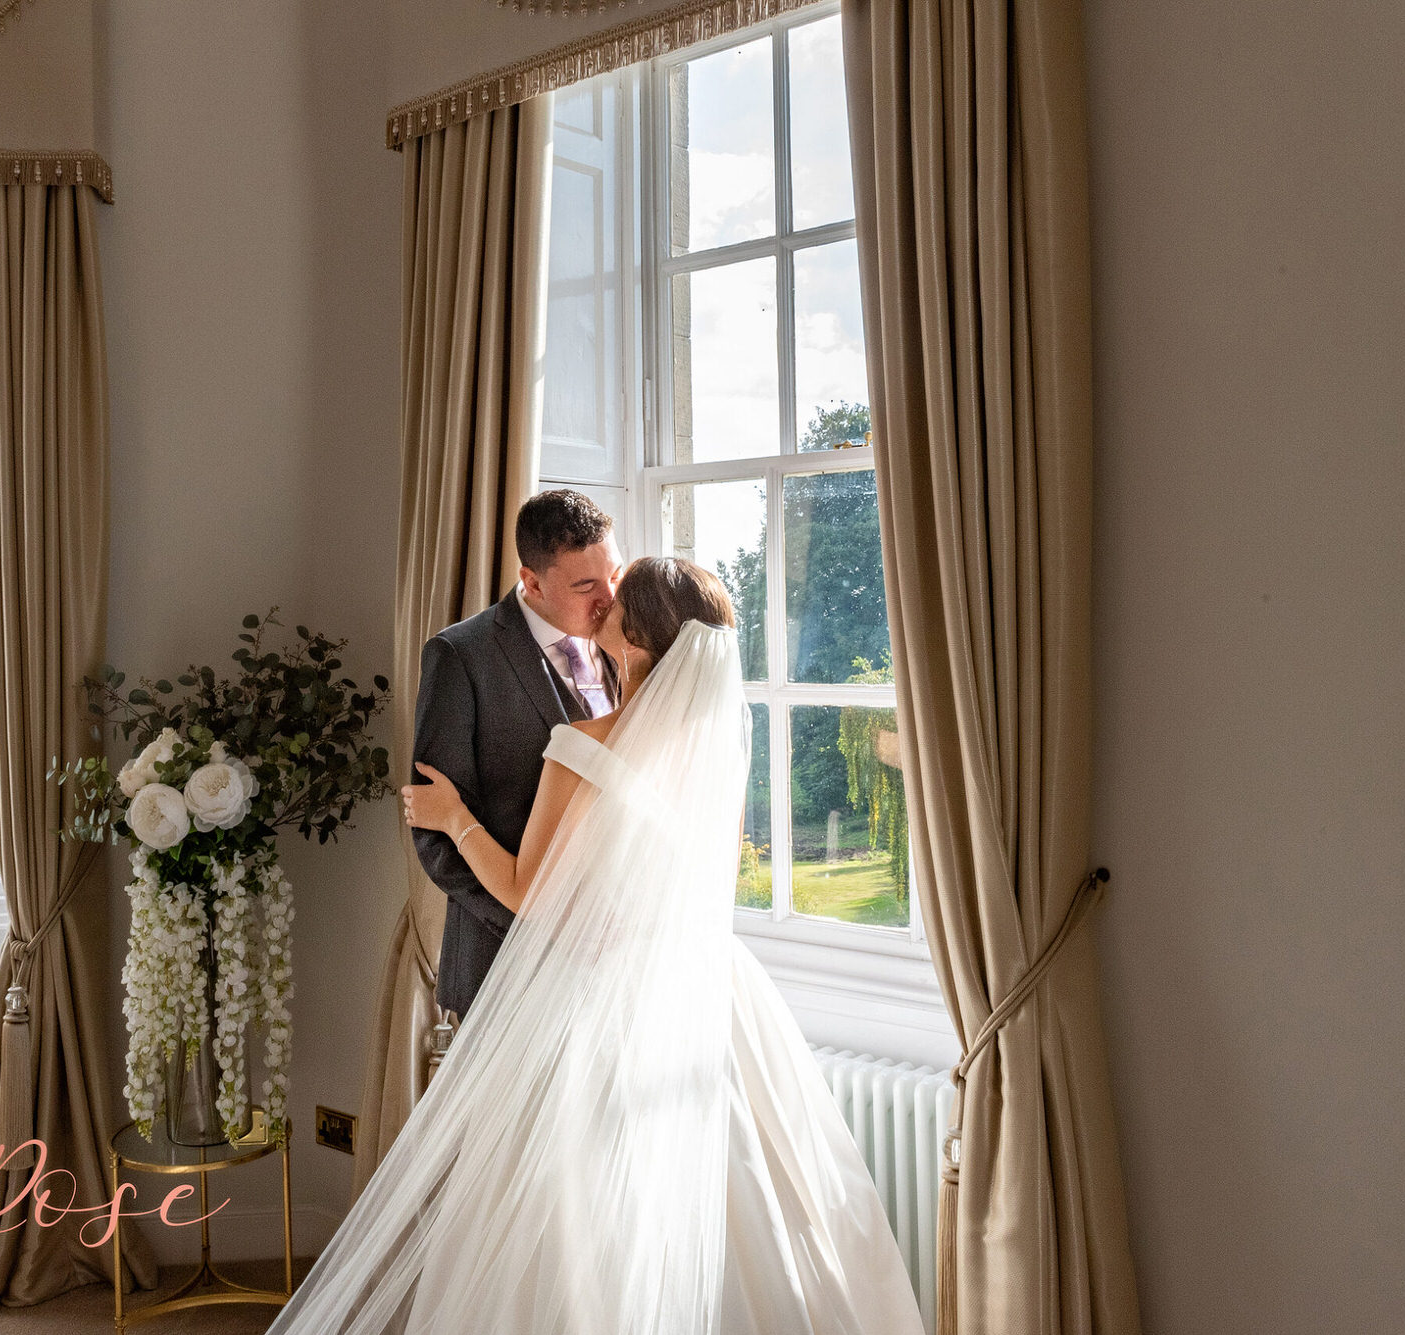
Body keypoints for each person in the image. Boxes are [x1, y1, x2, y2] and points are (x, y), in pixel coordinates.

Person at [265, 557, 928, 1335]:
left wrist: (452, 817)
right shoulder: (710, 754)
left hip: (601, 997)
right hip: (707, 989)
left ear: (637, 635)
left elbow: (527, 893)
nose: (604, 599)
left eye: (620, 595)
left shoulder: (581, 743)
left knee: (580, 1218)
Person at [409, 489, 625, 1024]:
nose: (608, 599)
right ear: (531, 580)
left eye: (614, 576)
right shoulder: (461, 656)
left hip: (609, 969)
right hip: (499, 968)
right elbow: (433, 833)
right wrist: (533, 918)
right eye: (585, 586)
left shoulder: (626, 640)